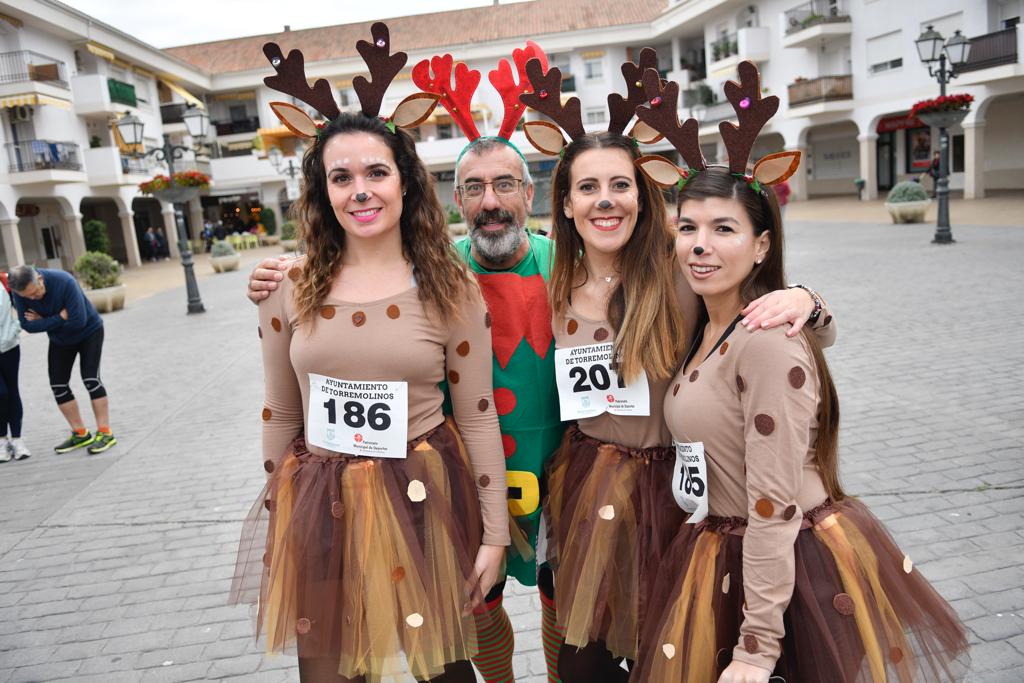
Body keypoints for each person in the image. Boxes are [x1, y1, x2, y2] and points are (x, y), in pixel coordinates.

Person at [250, 42, 568, 683]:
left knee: (447, 666)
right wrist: (280, 517)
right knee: (335, 671)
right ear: (322, 190)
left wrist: (493, 534)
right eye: (341, 177)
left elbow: (475, 418)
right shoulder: (287, 285)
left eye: (376, 172)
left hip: (429, 495)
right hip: (324, 502)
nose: (360, 191)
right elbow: (281, 409)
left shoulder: (451, 287)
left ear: (406, 181)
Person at [518, 54, 837, 681]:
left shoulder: (678, 267)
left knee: (675, 645)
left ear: (643, 195)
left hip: (678, 488)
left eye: (620, 184)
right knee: (586, 656)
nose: (605, 201)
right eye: (587, 187)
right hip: (590, 481)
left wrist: (809, 301)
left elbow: (756, 290)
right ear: (565, 203)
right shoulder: (550, 275)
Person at [632, 162, 969, 683]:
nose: (701, 245)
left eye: (724, 228)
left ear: (761, 245)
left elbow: (773, 503)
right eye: (688, 228)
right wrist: (812, 303)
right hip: (723, 546)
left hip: (783, 565)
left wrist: (757, 647)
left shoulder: (764, 342)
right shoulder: (705, 323)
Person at [8, 266, 116, 455]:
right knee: (58, 385)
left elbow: (78, 321)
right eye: (28, 297)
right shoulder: (20, 290)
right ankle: (81, 433)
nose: (33, 299)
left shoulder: (65, 281)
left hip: (89, 332)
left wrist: (45, 320)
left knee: (90, 379)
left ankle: (105, 432)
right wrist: (59, 316)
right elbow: (28, 326)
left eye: (35, 293)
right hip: (60, 338)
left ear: (40, 279)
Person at [0, 275, 29, 462]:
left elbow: (22, 303)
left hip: (9, 346)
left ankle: (18, 440)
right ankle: (2, 440)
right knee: (0, 393)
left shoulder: (4, 281)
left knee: (12, 391)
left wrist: (16, 328)